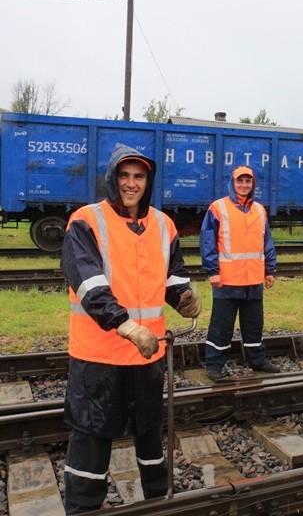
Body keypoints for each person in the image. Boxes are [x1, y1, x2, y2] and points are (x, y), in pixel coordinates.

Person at [61, 143, 201, 514]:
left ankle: (157, 500)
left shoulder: (163, 224)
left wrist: (184, 296)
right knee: (92, 435)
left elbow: (172, 275)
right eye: (124, 175)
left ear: (147, 182)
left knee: (149, 429)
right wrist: (124, 325)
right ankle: (83, 508)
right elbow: (88, 284)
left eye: (138, 176)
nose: (131, 183)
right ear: (112, 179)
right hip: (100, 355)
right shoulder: (86, 222)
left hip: (147, 353)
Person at [200, 165, 281, 381]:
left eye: (248, 181)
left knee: (254, 325)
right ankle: (214, 365)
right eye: (240, 181)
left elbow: (266, 242)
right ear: (232, 182)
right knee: (221, 326)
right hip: (227, 280)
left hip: (253, 280)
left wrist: (270, 269)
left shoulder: (260, 210)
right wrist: (212, 271)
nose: (244, 185)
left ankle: (257, 361)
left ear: (253, 184)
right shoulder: (218, 208)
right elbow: (207, 242)